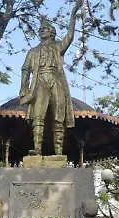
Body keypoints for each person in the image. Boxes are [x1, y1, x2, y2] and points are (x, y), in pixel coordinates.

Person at [19, 0, 83, 156]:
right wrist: (24, 86)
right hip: (39, 81)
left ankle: (59, 152)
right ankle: (37, 148)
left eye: (45, 29)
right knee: (38, 116)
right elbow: (25, 69)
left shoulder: (57, 47)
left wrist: (73, 15)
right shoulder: (32, 51)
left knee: (58, 115)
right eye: (40, 29)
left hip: (55, 80)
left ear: (52, 32)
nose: (41, 31)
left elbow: (70, 36)